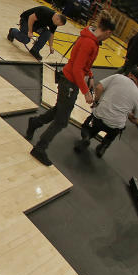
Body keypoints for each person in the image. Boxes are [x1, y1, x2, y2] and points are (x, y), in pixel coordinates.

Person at [26, 14, 116, 166]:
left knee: (58, 111)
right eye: (110, 36)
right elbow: (76, 69)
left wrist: (91, 76)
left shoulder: (92, 40)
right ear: (107, 32)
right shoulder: (89, 42)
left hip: (70, 82)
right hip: (69, 83)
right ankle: (40, 148)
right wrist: (86, 91)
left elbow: (84, 64)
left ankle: (35, 122)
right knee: (62, 121)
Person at [74, 66, 138, 157]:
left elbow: (99, 88)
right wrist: (129, 115)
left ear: (129, 74)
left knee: (87, 127)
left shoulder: (117, 77)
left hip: (100, 116)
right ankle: (103, 147)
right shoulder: (137, 94)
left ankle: (86, 137)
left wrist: (97, 102)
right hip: (114, 126)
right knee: (113, 132)